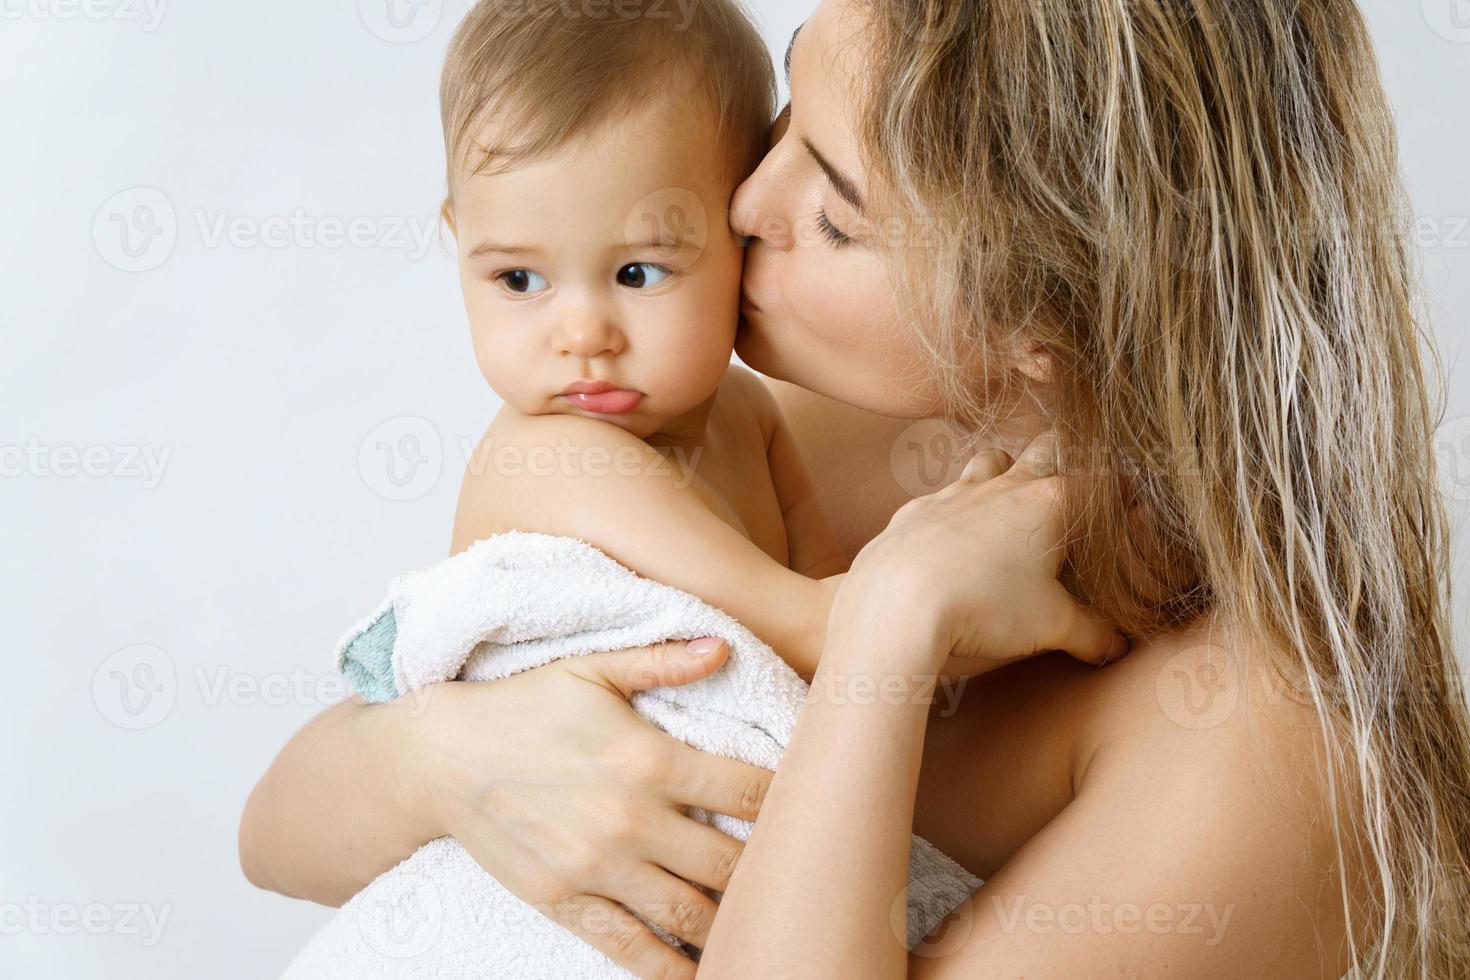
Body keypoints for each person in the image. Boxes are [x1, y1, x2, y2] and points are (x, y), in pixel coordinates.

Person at [243, 0, 1470, 976]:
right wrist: (448, 762)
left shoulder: (1267, 751)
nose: (738, 203)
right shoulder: (807, 431)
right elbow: (276, 830)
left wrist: (884, 625)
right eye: (786, 116)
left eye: (833, 212)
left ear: (1040, 315)